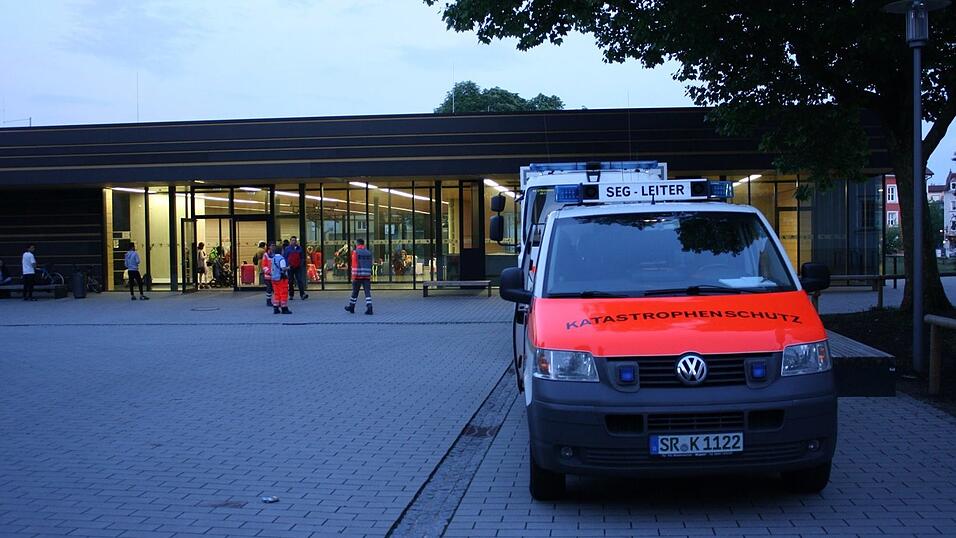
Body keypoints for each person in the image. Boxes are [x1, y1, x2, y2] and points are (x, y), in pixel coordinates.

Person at [345, 238, 373, 315]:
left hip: (358, 275)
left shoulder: (356, 252)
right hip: (366, 276)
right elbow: (371, 264)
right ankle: (369, 306)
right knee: (367, 293)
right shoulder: (368, 252)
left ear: (358, 244)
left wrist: (353, 276)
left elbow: (355, 264)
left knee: (355, 292)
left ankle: (351, 307)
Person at [283, 236, 308, 300]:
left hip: (298, 267)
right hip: (290, 267)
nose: (294, 241)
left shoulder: (299, 248)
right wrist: (287, 265)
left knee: (299, 280)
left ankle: (302, 294)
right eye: (292, 240)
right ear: (290, 241)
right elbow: (285, 257)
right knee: (290, 281)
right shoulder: (287, 248)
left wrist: (301, 264)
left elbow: (302, 257)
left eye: (295, 240)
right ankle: (291, 295)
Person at [270, 242, 291, 314]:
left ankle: (276, 308)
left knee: (276, 293)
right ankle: (284, 308)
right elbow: (283, 268)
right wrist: (288, 268)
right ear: (281, 251)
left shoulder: (273, 259)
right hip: (281, 278)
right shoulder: (281, 259)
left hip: (274, 278)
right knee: (283, 293)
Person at [260, 242, 273, 307]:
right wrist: (268, 271)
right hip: (268, 275)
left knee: (275, 288)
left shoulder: (275, 254)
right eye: (272, 246)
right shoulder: (266, 255)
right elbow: (264, 265)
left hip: (275, 275)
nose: (273, 247)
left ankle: (276, 300)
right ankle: (268, 301)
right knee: (269, 288)